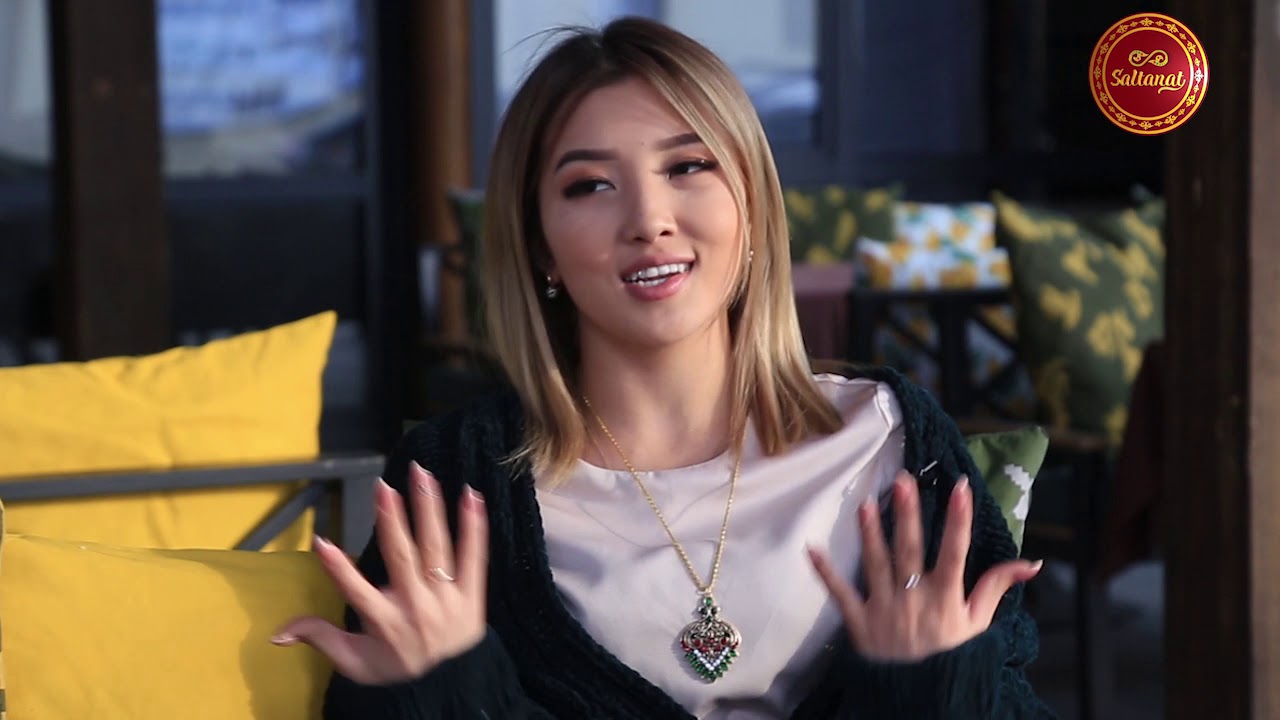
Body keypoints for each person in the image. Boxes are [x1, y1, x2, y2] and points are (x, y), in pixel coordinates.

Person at [272, 16, 1054, 719]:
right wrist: (448, 690)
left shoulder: (889, 439)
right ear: (541, 244)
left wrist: (936, 686)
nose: (649, 220)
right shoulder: (456, 481)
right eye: (591, 185)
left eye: (688, 167)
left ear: (752, 203)